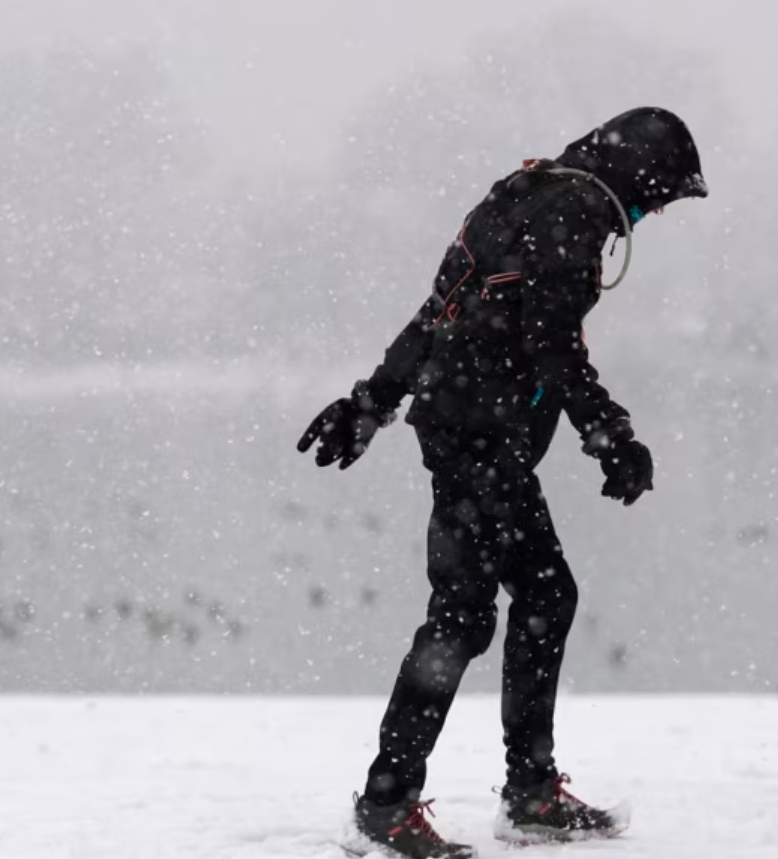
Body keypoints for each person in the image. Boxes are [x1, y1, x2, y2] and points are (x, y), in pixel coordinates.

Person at [297, 106, 707, 859]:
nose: (646, 217)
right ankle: (394, 801)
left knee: (541, 596)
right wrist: (609, 434)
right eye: (654, 200)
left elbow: (439, 309)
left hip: (466, 430)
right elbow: (549, 343)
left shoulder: (518, 194)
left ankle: (529, 790)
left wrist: (374, 400)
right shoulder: (576, 212)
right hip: (478, 437)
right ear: (634, 174)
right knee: (464, 616)